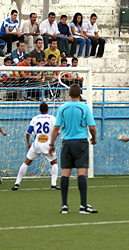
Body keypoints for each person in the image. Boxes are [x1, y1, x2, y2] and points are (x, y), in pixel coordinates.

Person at [49, 83, 98, 214]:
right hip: (81, 142)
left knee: (65, 173)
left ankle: (64, 205)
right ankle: (83, 206)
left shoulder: (63, 108)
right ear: (80, 94)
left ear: (69, 94)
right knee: (82, 173)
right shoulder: (84, 107)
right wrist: (94, 138)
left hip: (66, 142)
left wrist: (51, 144)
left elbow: (56, 128)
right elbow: (92, 127)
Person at [12, 102, 59, 190]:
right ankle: (53, 184)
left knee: (26, 162)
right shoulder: (52, 118)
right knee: (54, 163)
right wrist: (52, 142)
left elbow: (28, 133)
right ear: (47, 109)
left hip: (36, 144)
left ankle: (16, 183)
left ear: (39, 110)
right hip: (48, 144)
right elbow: (57, 132)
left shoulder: (35, 118)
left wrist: (28, 143)